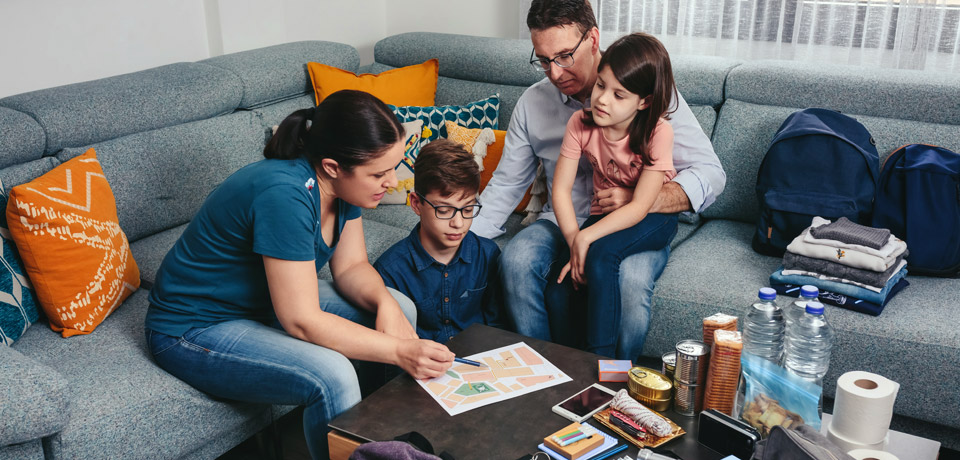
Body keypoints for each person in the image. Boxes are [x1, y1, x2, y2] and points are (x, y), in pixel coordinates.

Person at [144, 90, 455, 460]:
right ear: (332, 167)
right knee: (332, 374)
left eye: (393, 167)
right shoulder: (284, 194)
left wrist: (386, 303)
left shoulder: (345, 191)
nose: (391, 181)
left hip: (259, 303)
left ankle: (385, 443)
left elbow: (352, 267)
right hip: (192, 328)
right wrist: (402, 350)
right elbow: (301, 320)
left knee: (400, 307)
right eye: (379, 173)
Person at [470, 0, 726, 360]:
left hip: (633, 222)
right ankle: (547, 373)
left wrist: (641, 198)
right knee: (515, 260)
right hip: (564, 220)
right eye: (543, 60)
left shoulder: (646, 92)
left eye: (564, 56)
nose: (555, 73)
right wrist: (456, 243)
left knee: (630, 282)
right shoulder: (533, 104)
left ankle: (614, 385)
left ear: (593, 39)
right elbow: (506, 186)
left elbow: (711, 175)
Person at [553, 33, 679, 357]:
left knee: (602, 255)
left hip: (653, 217)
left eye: (618, 94)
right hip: (605, 214)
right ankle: (571, 365)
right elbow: (561, 190)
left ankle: (603, 370)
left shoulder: (657, 132)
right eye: (600, 86)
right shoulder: (580, 123)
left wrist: (587, 239)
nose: (602, 100)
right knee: (563, 281)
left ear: (644, 101)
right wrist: (573, 241)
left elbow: (639, 207)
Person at [374, 140, 505, 344]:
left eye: (468, 210)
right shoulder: (390, 271)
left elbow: (497, 326)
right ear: (416, 204)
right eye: (444, 211)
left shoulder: (487, 255)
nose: (459, 223)